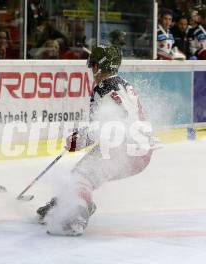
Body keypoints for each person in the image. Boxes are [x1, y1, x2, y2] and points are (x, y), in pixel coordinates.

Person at [36, 45, 155, 236]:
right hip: (142, 150)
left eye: (93, 66)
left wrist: (78, 140)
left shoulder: (102, 88)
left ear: (100, 67)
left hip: (122, 150)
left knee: (81, 177)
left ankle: (76, 216)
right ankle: (64, 202)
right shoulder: (125, 84)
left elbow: (106, 127)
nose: (92, 71)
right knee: (82, 173)